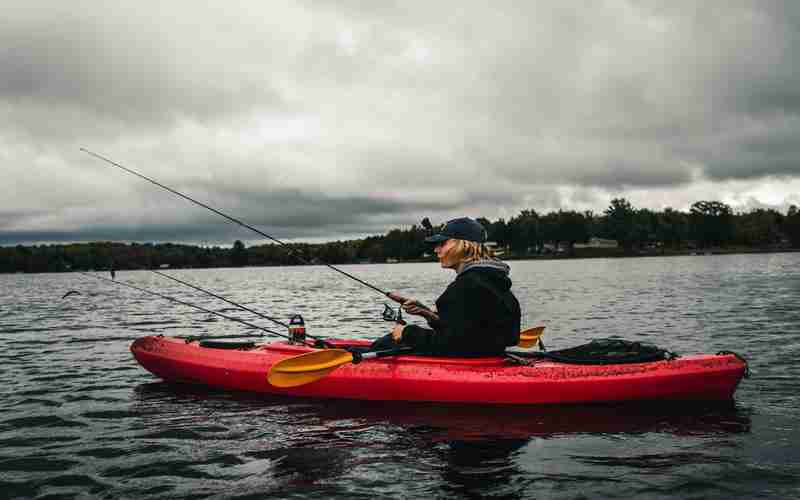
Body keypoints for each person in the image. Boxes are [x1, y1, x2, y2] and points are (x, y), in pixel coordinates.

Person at [383, 217, 521, 356]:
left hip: (470, 366)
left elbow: (452, 345)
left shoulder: (465, 286)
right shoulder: (494, 282)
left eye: (442, 244)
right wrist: (428, 314)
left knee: (387, 342)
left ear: (463, 245)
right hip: (490, 359)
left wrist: (407, 332)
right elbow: (474, 333)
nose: (436, 250)